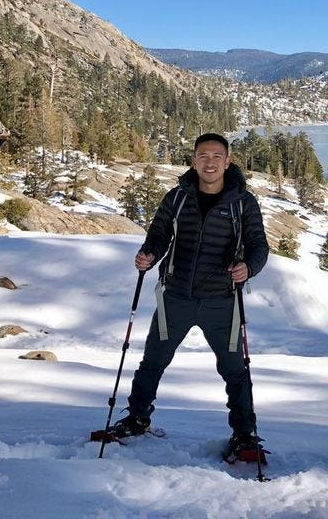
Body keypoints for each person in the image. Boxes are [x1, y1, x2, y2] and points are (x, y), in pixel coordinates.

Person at [111, 132, 270, 457]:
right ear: (194, 160)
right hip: (175, 298)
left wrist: (248, 268)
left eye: (216, 156)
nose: (209, 162)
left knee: (235, 371)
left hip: (222, 302)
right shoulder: (177, 197)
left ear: (227, 161)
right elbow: (158, 234)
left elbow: (259, 246)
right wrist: (148, 254)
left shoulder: (243, 202)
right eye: (203, 156)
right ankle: (137, 419)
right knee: (152, 362)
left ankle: (244, 436)